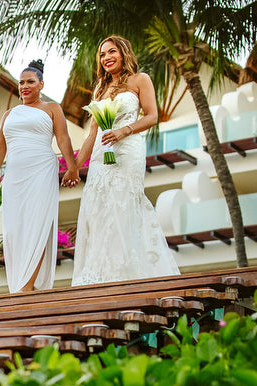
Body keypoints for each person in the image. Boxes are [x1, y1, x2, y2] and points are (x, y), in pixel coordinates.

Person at [71, 36, 180, 286]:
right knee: (98, 208)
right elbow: (91, 135)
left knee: (123, 203)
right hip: (101, 154)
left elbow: (152, 116)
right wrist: (75, 167)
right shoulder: (100, 88)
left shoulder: (140, 80)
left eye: (112, 52)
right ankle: (100, 275)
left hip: (127, 149)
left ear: (123, 53)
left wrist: (124, 131)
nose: (106, 57)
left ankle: (127, 273)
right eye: (102, 54)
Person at [0, 59, 81, 293]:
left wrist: (72, 167)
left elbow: (63, 138)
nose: (24, 86)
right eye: (21, 82)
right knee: (15, 229)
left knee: (37, 224)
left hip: (41, 170)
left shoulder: (52, 109)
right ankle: (20, 281)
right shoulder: (9, 115)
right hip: (14, 175)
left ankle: (28, 284)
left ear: (41, 85)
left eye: (30, 82)